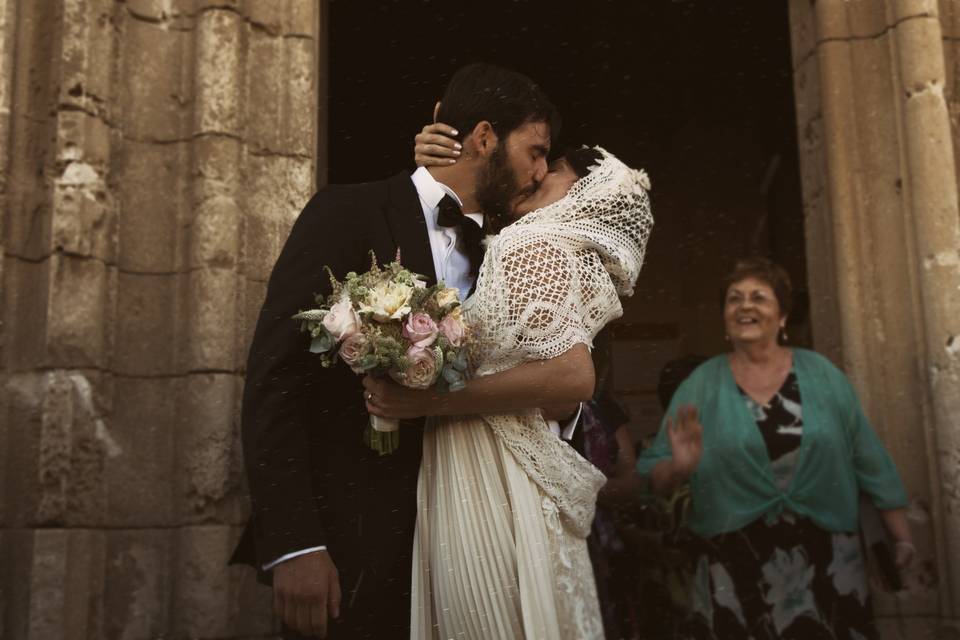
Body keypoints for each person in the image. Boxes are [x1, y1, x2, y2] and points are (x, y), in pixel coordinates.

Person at [232, 62, 563, 639]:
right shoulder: (346, 211)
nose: (539, 172)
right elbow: (276, 380)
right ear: (484, 138)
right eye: (535, 151)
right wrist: (294, 542)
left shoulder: (519, 248)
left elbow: (553, 370)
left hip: (478, 548)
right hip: (352, 546)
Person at [364, 142, 654, 638]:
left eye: (553, 167)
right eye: (537, 156)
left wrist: (426, 402)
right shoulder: (546, 247)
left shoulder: (535, 245)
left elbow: (571, 378)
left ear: (586, 191)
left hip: (488, 471)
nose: (538, 172)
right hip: (491, 464)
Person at [636, 256, 914, 639]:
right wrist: (679, 468)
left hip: (828, 556)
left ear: (782, 317)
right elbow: (653, 472)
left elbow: (867, 457)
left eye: (758, 297)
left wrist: (900, 536)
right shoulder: (701, 384)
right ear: (725, 318)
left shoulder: (822, 375)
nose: (744, 305)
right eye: (734, 299)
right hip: (733, 560)